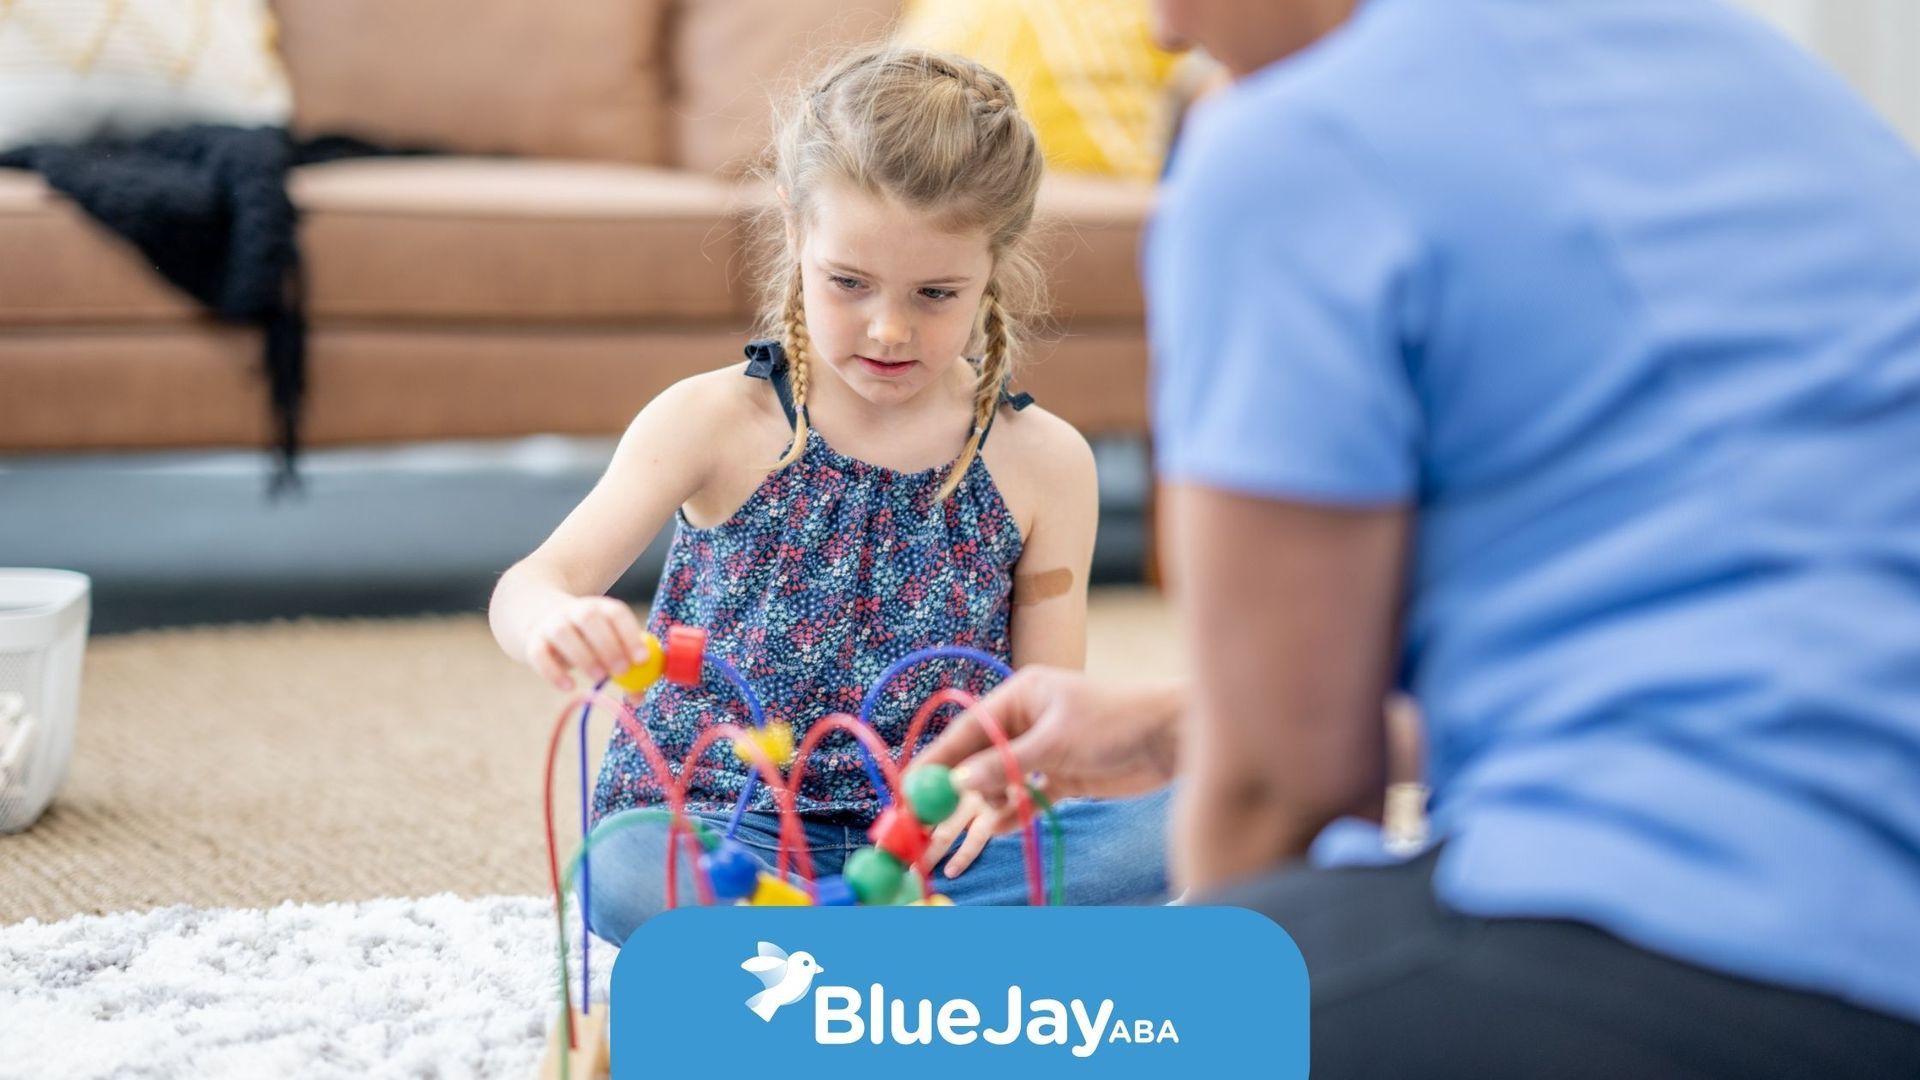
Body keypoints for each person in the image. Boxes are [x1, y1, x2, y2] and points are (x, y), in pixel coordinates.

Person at [917, 0, 1920, 1074]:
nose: (1159, 33)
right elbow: (1744, 645)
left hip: (1720, 959)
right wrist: (1180, 727)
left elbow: (1282, 796)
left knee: (1031, 1030)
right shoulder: (1759, 76)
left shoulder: (1291, 146)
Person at [488, 46, 1168, 946]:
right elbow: (533, 582)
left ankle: (825, 950)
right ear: (795, 228)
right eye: (849, 283)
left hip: (936, 841)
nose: (889, 329)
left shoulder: (1045, 463)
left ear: (994, 265)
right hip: (728, 825)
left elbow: (1043, 713)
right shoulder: (712, 421)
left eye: (936, 293)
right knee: (622, 871)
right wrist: (552, 623)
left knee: (1181, 817)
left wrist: (1011, 789)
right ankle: (900, 949)